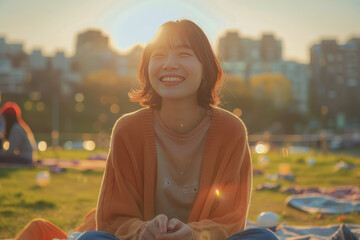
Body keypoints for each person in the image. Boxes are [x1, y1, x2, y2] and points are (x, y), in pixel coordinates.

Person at [79, 19, 278, 240]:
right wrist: (143, 230)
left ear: (205, 68)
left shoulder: (231, 130)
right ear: (147, 68)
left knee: (263, 237)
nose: (169, 64)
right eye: (158, 56)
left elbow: (231, 219)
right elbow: (112, 219)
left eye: (184, 54)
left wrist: (194, 234)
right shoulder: (127, 129)